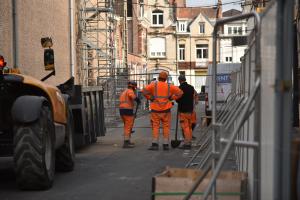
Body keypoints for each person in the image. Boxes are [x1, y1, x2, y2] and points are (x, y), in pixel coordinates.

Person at [142, 71, 183, 150]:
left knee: (155, 126)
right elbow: (180, 92)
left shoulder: (153, 85)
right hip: (166, 110)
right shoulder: (169, 86)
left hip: (155, 110)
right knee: (166, 127)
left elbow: (144, 91)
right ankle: (166, 144)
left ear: (158, 78)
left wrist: (150, 98)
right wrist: (172, 98)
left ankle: (155, 144)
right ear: (166, 79)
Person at [176, 75, 197, 150]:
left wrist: (177, 100)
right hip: (190, 110)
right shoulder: (191, 87)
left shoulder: (180, 88)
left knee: (185, 127)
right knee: (189, 126)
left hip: (183, 110)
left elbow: (177, 99)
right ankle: (189, 141)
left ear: (179, 80)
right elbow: (194, 95)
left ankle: (187, 143)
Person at [119, 81, 141, 148]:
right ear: (133, 87)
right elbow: (132, 96)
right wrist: (137, 99)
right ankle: (126, 142)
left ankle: (127, 140)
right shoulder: (130, 91)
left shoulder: (124, 91)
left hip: (122, 110)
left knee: (126, 126)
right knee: (128, 127)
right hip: (127, 110)